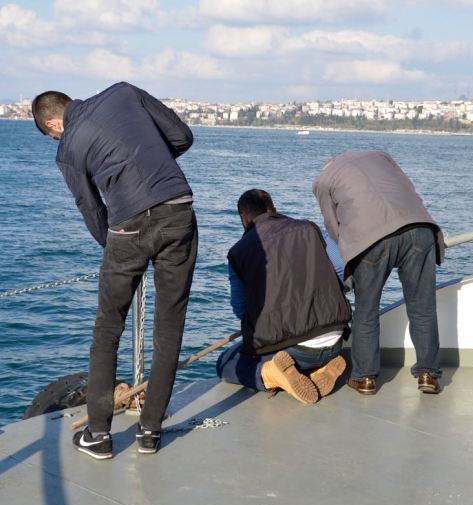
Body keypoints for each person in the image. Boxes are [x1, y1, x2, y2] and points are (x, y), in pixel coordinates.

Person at [32, 82, 198, 459]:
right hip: (177, 208)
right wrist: (149, 165)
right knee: (170, 325)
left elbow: (91, 207)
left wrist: (112, 246)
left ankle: (99, 435)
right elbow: (182, 137)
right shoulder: (124, 93)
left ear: (53, 124)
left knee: (108, 329)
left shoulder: (67, 149)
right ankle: (151, 431)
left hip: (128, 227)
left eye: (51, 135)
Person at [312, 151, 445, 396]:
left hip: (371, 240)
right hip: (419, 227)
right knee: (422, 308)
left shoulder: (323, 181)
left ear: (327, 166)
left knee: (366, 311)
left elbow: (332, 226)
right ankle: (428, 375)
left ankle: (364, 378)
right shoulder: (380, 157)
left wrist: (350, 256)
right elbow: (410, 190)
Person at [216, 189, 351, 404]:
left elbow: (240, 308)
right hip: (335, 340)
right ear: (274, 210)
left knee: (226, 362)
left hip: (296, 350)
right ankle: (319, 370)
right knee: (302, 349)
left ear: (244, 217)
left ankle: (271, 373)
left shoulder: (238, 252)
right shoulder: (310, 228)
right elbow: (342, 269)